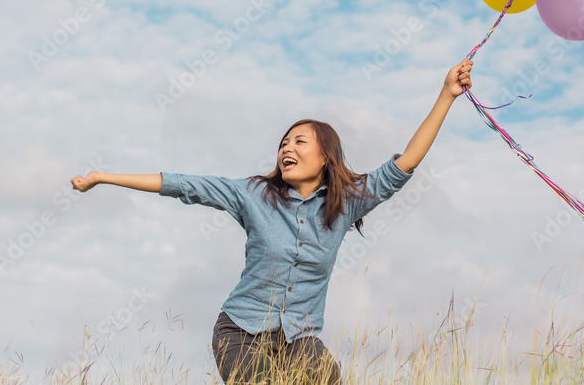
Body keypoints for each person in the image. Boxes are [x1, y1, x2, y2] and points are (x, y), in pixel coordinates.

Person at [70, 59, 473, 384]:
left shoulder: (346, 203)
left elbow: (404, 163)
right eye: (283, 143)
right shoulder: (252, 195)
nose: (287, 148)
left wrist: (446, 95)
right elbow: (183, 184)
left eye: (299, 142)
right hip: (240, 333)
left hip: (300, 341)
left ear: (324, 157)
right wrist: (105, 176)